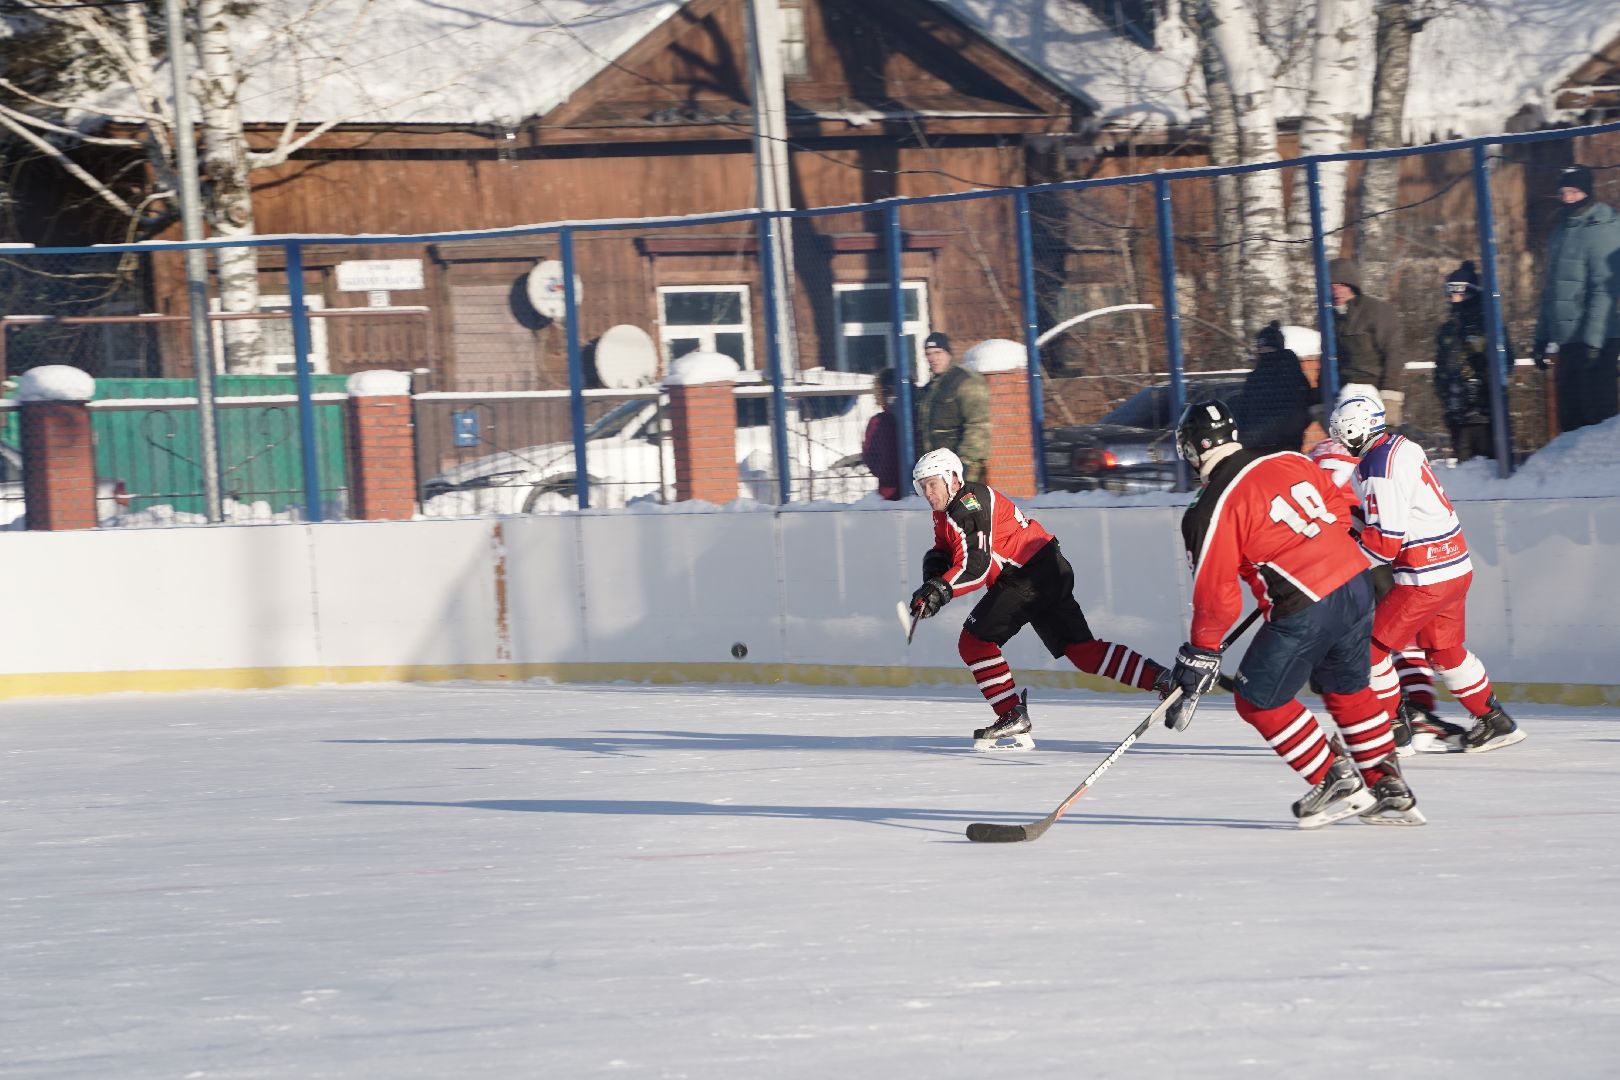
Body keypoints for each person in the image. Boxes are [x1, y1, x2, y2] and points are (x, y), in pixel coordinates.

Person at [1163, 398, 1419, 827]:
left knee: (1257, 699)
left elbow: (1217, 593)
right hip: (1356, 584)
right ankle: (1387, 785)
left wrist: (1202, 650)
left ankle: (1332, 776)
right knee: (1348, 689)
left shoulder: (1209, 506)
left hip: (1305, 601)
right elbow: (1340, 512)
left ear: (1190, 450)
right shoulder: (1287, 458)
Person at [906, 447, 1167, 751]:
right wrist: (937, 567)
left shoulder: (968, 505)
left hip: (1029, 574)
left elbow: (976, 567)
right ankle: (1161, 678)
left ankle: (1011, 714)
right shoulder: (948, 510)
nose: (927, 492)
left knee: (974, 642)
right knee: (1083, 652)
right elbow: (947, 546)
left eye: (931, 484)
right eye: (921, 486)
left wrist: (940, 589)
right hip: (1043, 568)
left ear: (952, 479)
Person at [1326, 394, 1525, 753]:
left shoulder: (1376, 466)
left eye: (1344, 434)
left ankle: (1391, 731)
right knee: (1444, 649)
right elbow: (1393, 516)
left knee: (1369, 648)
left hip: (1424, 575)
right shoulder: (1401, 446)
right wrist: (1355, 527)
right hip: (1455, 566)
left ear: (1358, 429)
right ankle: (1494, 721)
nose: (1342, 442)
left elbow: (1384, 543)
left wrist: (1343, 565)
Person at [1308, 434, 1459, 753]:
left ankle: (1388, 722)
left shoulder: (1312, 456)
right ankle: (1416, 711)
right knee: (1400, 637)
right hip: (1376, 552)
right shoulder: (1357, 450)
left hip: (1351, 556)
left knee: (1363, 644)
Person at [1531, 164, 1620, 435]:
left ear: (1587, 192)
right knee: (1570, 420)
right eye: (1563, 192)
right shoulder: (1561, 231)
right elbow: (1552, 290)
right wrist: (1541, 336)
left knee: (1597, 417)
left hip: (1598, 341)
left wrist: (1594, 344)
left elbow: (1603, 290)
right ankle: (1570, 477)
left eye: (1574, 192)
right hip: (1568, 341)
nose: (1568, 198)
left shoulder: (1602, 229)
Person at [1328, 257, 1406, 426]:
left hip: (1374, 394)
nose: (1336, 292)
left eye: (1341, 285)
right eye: (1332, 286)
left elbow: (1393, 353)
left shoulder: (1376, 311)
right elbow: (1326, 361)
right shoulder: (1330, 319)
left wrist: (1390, 396)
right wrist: (1319, 403)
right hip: (1343, 398)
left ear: (1352, 285)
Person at [1433, 261, 1496, 463]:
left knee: (1488, 464)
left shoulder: (1488, 325)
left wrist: (1481, 386)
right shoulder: (1448, 329)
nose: (1454, 300)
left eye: (1459, 294)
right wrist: (1446, 394)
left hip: (1484, 414)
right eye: (1450, 295)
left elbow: (1504, 361)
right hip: (1457, 413)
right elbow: (1441, 368)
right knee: (1466, 467)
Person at [913, 332, 991, 484]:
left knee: (969, 506)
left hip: (961, 471)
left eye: (938, 353)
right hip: (936, 472)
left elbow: (978, 424)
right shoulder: (931, 388)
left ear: (948, 353)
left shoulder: (966, 381)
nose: (933, 358)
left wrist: (967, 463)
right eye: (928, 354)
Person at [1236, 320, 1314, 453]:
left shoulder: (1289, 376)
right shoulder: (1292, 374)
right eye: (1262, 350)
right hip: (1273, 445)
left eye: (1268, 350)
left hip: (1280, 445)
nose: (1266, 355)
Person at [861, 367, 902, 500]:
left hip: (890, 488)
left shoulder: (878, 421)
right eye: (890, 392)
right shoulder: (878, 422)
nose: (893, 398)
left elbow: (869, 455)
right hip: (891, 488)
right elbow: (870, 455)